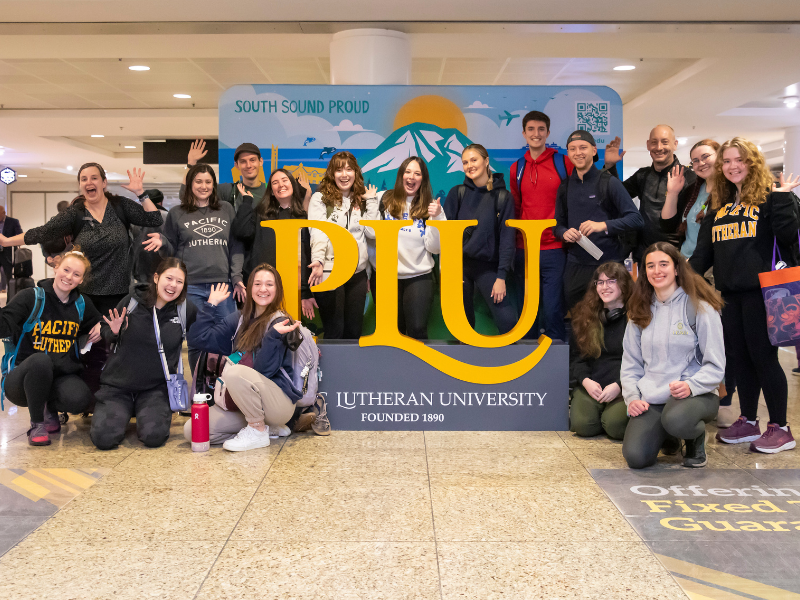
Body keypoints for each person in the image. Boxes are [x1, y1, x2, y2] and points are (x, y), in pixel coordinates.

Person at [0, 163, 164, 393]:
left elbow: (154, 219)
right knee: (83, 350)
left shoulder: (119, 207)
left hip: (117, 296)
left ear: (104, 182)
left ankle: (113, 394)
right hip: (84, 298)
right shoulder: (74, 214)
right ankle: (82, 395)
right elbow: (43, 232)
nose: (89, 182)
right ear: (80, 185)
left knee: (115, 347)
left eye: (94, 178)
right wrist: (6, 241)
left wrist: (140, 193)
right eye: (84, 179)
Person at [690, 137, 800, 454]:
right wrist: (678, 277)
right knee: (739, 362)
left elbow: (790, 238)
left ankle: (781, 427)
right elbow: (701, 257)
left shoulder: (769, 199)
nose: (732, 166)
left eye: (740, 160)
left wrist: (782, 198)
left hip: (764, 294)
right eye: (726, 161)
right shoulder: (719, 208)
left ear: (752, 163)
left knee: (764, 358)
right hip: (730, 296)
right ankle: (748, 421)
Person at [621, 242, 725, 469]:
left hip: (695, 394)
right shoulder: (639, 310)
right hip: (654, 397)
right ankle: (668, 435)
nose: (657, 271)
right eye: (650, 266)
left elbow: (716, 366)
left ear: (677, 269)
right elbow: (631, 364)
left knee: (676, 420)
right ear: (644, 272)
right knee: (636, 457)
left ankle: (694, 437)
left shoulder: (700, 308)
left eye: (663, 264)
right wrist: (633, 398)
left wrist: (691, 386)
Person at [660, 139, 737, 428]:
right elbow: (667, 225)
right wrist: (672, 193)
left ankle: (724, 397)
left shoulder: (730, 192)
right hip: (689, 271)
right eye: (695, 160)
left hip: (715, 275)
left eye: (706, 157)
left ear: (719, 157)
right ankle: (703, 392)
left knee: (719, 338)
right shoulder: (695, 190)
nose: (700, 163)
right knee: (694, 337)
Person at [185, 264, 303, 451]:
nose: (263, 289)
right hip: (244, 402)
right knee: (192, 430)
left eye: (269, 284)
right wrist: (211, 305)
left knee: (235, 373)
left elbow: (264, 371)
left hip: (278, 403)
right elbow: (200, 339)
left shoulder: (281, 322)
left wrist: (272, 336)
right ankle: (263, 428)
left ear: (278, 289)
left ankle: (257, 430)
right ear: (249, 289)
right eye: (257, 284)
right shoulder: (240, 319)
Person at [90, 258, 197, 450]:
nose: (173, 285)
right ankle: (124, 411)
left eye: (179, 281)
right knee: (103, 439)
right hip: (118, 386)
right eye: (169, 278)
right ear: (156, 278)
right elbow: (106, 329)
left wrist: (213, 307)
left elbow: (205, 336)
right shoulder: (132, 302)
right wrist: (113, 331)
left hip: (155, 388)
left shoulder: (184, 310)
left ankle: (140, 412)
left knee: (154, 437)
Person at [0, 249, 102, 445]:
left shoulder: (81, 304)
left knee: (79, 398)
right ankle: (37, 423)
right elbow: (4, 325)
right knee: (41, 360)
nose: (69, 277)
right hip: (21, 380)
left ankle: (49, 407)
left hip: (59, 376)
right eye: (66, 269)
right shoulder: (31, 297)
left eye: (76, 274)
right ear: (56, 268)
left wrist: (103, 326)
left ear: (81, 280)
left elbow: (101, 322)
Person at [161, 163, 244, 373]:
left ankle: (225, 386)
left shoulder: (226, 208)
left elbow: (235, 246)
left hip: (222, 285)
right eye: (198, 181)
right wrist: (161, 243)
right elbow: (170, 248)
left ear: (213, 185)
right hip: (191, 287)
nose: (203, 186)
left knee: (229, 337)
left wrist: (236, 277)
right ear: (190, 184)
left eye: (208, 182)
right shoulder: (176, 213)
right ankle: (199, 387)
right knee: (196, 339)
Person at [554, 130, 643, 311]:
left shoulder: (609, 182)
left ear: (594, 150)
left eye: (583, 147)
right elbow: (558, 225)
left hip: (608, 264)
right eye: (572, 149)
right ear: (568, 153)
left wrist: (602, 225)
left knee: (610, 318)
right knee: (579, 319)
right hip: (576, 264)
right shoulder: (565, 187)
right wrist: (564, 232)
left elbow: (636, 219)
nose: (578, 152)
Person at [509, 111, 573, 341]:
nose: (536, 134)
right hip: (524, 249)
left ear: (547, 132)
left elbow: (575, 198)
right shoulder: (516, 168)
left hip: (555, 248)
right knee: (527, 311)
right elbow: (516, 207)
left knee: (554, 308)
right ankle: (527, 368)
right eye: (531, 130)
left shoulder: (563, 162)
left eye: (541, 129)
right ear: (524, 134)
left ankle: (555, 367)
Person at [366, 156, 446, 339]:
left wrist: (438, 218)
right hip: (385, 278)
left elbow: (435, 248)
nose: (411, 177)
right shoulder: (382, 199)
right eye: (407, 172)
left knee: (417, 330)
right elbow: (370, 234)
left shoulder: (431, 206)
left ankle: (418, 368)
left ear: (423, 179)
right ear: (400, 175)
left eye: (417, 173)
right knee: (393, 333)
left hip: (418, 276)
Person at [443, 144, 517, 334]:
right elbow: (447, 237)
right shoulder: (457, 193)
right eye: (465, 162)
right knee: (462, 325)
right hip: (461, 267)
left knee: (508, 322)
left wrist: (501, 276)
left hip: (488, 267)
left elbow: (507, 239)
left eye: (474, 160)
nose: (469, 165)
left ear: (486, 161)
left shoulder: (502, 197)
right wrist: (451, 269)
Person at [308, 151, 379, 340]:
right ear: (332, 173)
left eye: (349, 169)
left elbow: (371, 234)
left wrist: (371, 202)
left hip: (357, 273)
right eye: (339, 170)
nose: (344, 174)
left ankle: (352, 370)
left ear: (356, 173)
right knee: (334, 330)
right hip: (331, 271)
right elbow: (318, 232)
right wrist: (317, 260)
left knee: (354, 332)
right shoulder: (320, 199)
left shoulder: (362, 200)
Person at [231, 168, 316, 320]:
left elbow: (305, 256)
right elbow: (241, 232)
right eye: (275, 183)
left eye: (285, 180)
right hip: (263, 290)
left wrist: (304, 293)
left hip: (292, 289)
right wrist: (246, 201)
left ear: (292, 185)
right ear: (271, 191)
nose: (280, 185)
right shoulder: (261, 214)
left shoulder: (303, 217)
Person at [603, 125, 697, 259]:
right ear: (648, 145)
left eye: (665, 142)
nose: (659, 147)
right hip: (644, 255)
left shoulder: (689, 177)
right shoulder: (642, 176)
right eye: (654, 142)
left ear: (675, 144)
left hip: (675, 256)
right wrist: (610, 167)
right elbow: (617, 197)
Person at [569, 262, 634, 440]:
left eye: (611, 281)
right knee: (583, 426)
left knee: (615, 426)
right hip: (593, 385)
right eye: (600, 282)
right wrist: (585, 381)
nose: (605, 287)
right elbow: (577, 359)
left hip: (624, 385)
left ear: (624, 284)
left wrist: (620, 385)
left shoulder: (637, 318)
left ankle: (610, 416)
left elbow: (644, 362)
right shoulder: (586, 316)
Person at [185, 139, 311, 213]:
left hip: (266, 253)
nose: (248, 165)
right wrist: (191, 164)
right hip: (236, 256)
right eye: (243, 161)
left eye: (252, 160)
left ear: (260, 162)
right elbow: (186, 195)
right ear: (236, 165)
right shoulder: (228, 190)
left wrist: (307, 195)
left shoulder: (273, 191)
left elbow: (298, 218)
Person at [0, 205, 23, 291]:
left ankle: (10, 295)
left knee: (8, 275)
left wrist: (7, 241)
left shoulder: (13, 222)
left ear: (4, 213)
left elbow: (19, 235)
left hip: (8, 253)